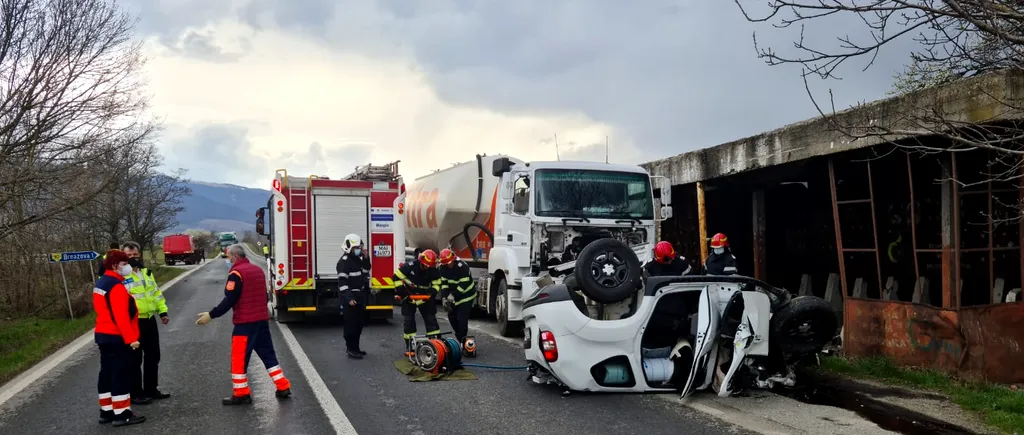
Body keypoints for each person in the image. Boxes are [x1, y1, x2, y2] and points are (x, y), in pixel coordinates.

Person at [195, 244, 292, 405]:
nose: (228, 259)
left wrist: (211, 314)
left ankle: (241, 393)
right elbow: (265, 295)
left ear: (235, 257)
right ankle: (283, 386)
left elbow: (230, 299)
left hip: (245, 323)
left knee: (239, 359)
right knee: (268, 355)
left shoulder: (236, 274)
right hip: (261, 320)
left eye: (228, 256)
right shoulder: (257, 270)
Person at [94, 249, 146, 426]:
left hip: (103, 335)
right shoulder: (116, 286)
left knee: (106, 373)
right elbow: (121, 316)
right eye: (124, 264)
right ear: (115, 265)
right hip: (118, 337)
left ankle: (107, 411)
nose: (128, 267)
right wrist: (131, 339)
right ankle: (122, 413)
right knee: (121, 375)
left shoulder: (102, 282)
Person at [120, 241, 170, 404]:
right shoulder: (121, 276)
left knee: (153, 356)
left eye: (135, 255)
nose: (133, 258)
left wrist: (162, 311)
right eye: (129, 256)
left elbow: (156, 294)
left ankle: (151, 389)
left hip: (149, 319)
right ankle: (135, 393)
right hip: (133, 322)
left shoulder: (146, 273)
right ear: (123, 257)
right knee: (134, 359)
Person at [393, 249, 442, 356]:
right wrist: (402, 291)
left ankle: (435, 345)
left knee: (431, 321)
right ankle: (410, 346)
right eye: (426, 266)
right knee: (409, 322)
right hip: (409, 296)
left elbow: (437, 283)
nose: (428, 268)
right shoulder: (410, 266)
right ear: (421, 262)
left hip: (424, 296)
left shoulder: (433, 269)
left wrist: (432, 292)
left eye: (430, 266)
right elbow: (396, 276)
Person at [337, 234, 371, 359]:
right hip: (350, 298)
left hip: (360, 296)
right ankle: (350, 349)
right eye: (356, 247)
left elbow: (366, 272)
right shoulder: (344, 262)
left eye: (359, 247)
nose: (358, 249)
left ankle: (356, 348)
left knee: (359, 324)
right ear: (348, 247)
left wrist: (366, 258)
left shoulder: (357, 259)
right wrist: (349, 298)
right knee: (351, 325)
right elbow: (342, 283)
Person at [438, 248, 476, 356]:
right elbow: (444, 283)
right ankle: (461, 340)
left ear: (453, 260)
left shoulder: (462, 267)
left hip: (466, 296)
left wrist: (452, 295)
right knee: (452, 317)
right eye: (446, 263)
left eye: (450, 263)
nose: (448, 265)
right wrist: (444, 297)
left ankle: (464, 343)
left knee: (462, 320)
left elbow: (463, 285)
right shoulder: (442, 268)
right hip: (453, 297)